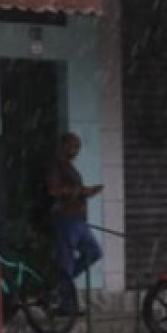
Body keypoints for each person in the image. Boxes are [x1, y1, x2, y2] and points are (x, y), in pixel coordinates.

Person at [46, 132, 103, 315]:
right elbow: (54, 190)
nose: (76, 151)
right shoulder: (55, 165)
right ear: (64, 146)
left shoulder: (69, 167)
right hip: (66, 219)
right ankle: (66, 302)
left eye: (77, 147)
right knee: (66, 261)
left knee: (93, 252)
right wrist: (80, 192)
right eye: (73, 146)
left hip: (78, 219)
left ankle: (60, 284)